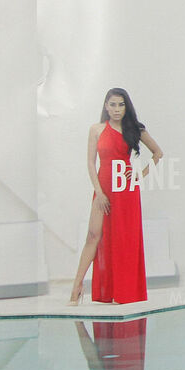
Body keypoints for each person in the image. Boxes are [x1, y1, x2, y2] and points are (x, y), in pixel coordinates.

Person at [69, 88, 163, 305]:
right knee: (93, 235)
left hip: (126, 190)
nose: (117, 109)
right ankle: (76, 288)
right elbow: (91, 163)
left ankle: (124, 291)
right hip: (103, 188)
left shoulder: (135, 129)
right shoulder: (96, 129)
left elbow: (158, 153)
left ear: (126, 107)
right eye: (113, 104)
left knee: (123, 239)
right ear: (106, 106)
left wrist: (139, 174)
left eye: (121, 105)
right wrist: (99, 193)